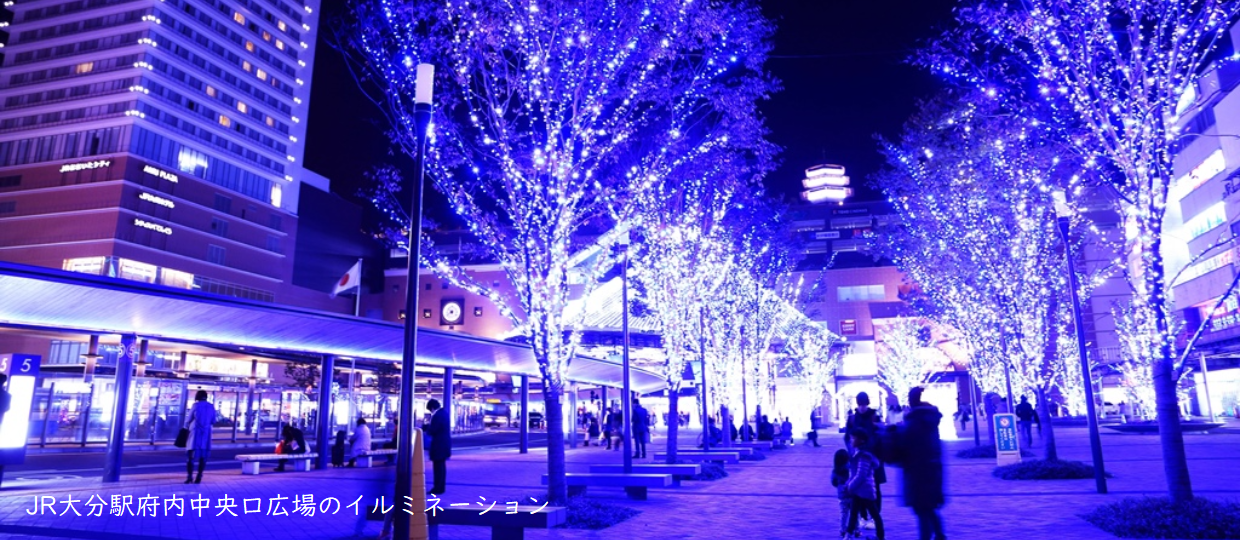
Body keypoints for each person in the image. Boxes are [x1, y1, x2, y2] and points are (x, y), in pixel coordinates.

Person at [899, 387, 946, 540]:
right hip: (932, 469)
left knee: (922, 509)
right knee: (928, 508)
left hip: (918, 471)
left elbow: (905, 448)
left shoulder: (915, 422)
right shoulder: (929, 419)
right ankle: (939, 535)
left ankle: (933, 537)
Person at [844, 392, 887, 516]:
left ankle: (875, 515)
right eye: (860, 404)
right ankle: (863, 516)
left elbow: (880, 435)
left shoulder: (874, 416)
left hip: (874, 457)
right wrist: (852, 451)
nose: (862, 407)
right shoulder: (852, 418)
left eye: (864, 404)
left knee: (876, 487)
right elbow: (847, 437)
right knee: (859, 486)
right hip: (857, 458)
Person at [846, 429, 886, 540]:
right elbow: (854, 473)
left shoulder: (864, 456)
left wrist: (850, 486)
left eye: (853, 438)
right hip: (858, 490)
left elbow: (861, 475)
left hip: (865, 490)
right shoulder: (857, 453)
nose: (851, 440)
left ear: (861, 441)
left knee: (874, 515)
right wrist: (850, 483)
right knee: (853, 514)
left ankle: (880, 537)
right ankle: (848, 535)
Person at [184, 390, 215, 484]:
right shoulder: (211, 406)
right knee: (203, 456)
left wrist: (185, 428)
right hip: (206, 432)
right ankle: (199, 476)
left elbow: (189, 419)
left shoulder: (195, 405)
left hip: (195, 431)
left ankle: (189, 476)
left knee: (190, 455)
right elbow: (213, 420)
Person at [426, 399, 451, 495]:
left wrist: (427, 428)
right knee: (441, 467)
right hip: (444, 445)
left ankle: (438, 488)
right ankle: (440, 487)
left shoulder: (437, 416)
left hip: (439, 445)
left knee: (438, 468)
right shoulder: (444, 413)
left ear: (432, 408)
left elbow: (433, 430)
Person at [831, 449, 853, 539]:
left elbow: (833, 482)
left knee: (843, 513)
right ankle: (856, 529)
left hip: (842, 495)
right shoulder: (850, 468)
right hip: (852, 494)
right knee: (854, 513)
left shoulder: (835, 471)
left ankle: (842, 530)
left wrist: (840, 486)